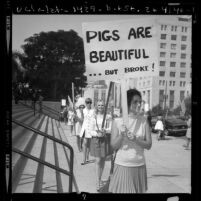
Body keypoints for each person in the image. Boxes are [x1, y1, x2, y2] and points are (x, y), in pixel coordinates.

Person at [108, 89, 152, 193]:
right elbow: (113, 146)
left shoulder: (144, 121)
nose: (138, 104)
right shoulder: (117, 121)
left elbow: (149, 145)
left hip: (139, 165)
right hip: (123, 164)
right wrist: (122, 136)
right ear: (127, 103)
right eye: (135, 102)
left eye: (140, 102)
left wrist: (136, 139)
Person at [90, 100, 112, 191]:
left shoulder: (108, 116)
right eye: (99, 105)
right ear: (96, 106)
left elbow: (110, 129)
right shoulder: (93, 117)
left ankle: (99, 177)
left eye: (102, 105)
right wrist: (96, 134)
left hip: (105, 139)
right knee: (98, 160)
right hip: (96, 140)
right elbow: (90, 130)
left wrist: (105, 131)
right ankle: (98, 181)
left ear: (104, 106)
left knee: (102, 160)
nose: (100, 106)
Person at [79, 98, 95, 165]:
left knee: (89, 144)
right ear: (85, 103)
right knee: (85, 143)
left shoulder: (93, 111)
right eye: (87, 102)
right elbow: (82, 120)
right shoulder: (83, 110)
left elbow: (95, 120)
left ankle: (87, 158)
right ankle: (84, 160)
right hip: (85, 128)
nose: (89, 104)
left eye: (90, 102)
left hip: (91, 128)